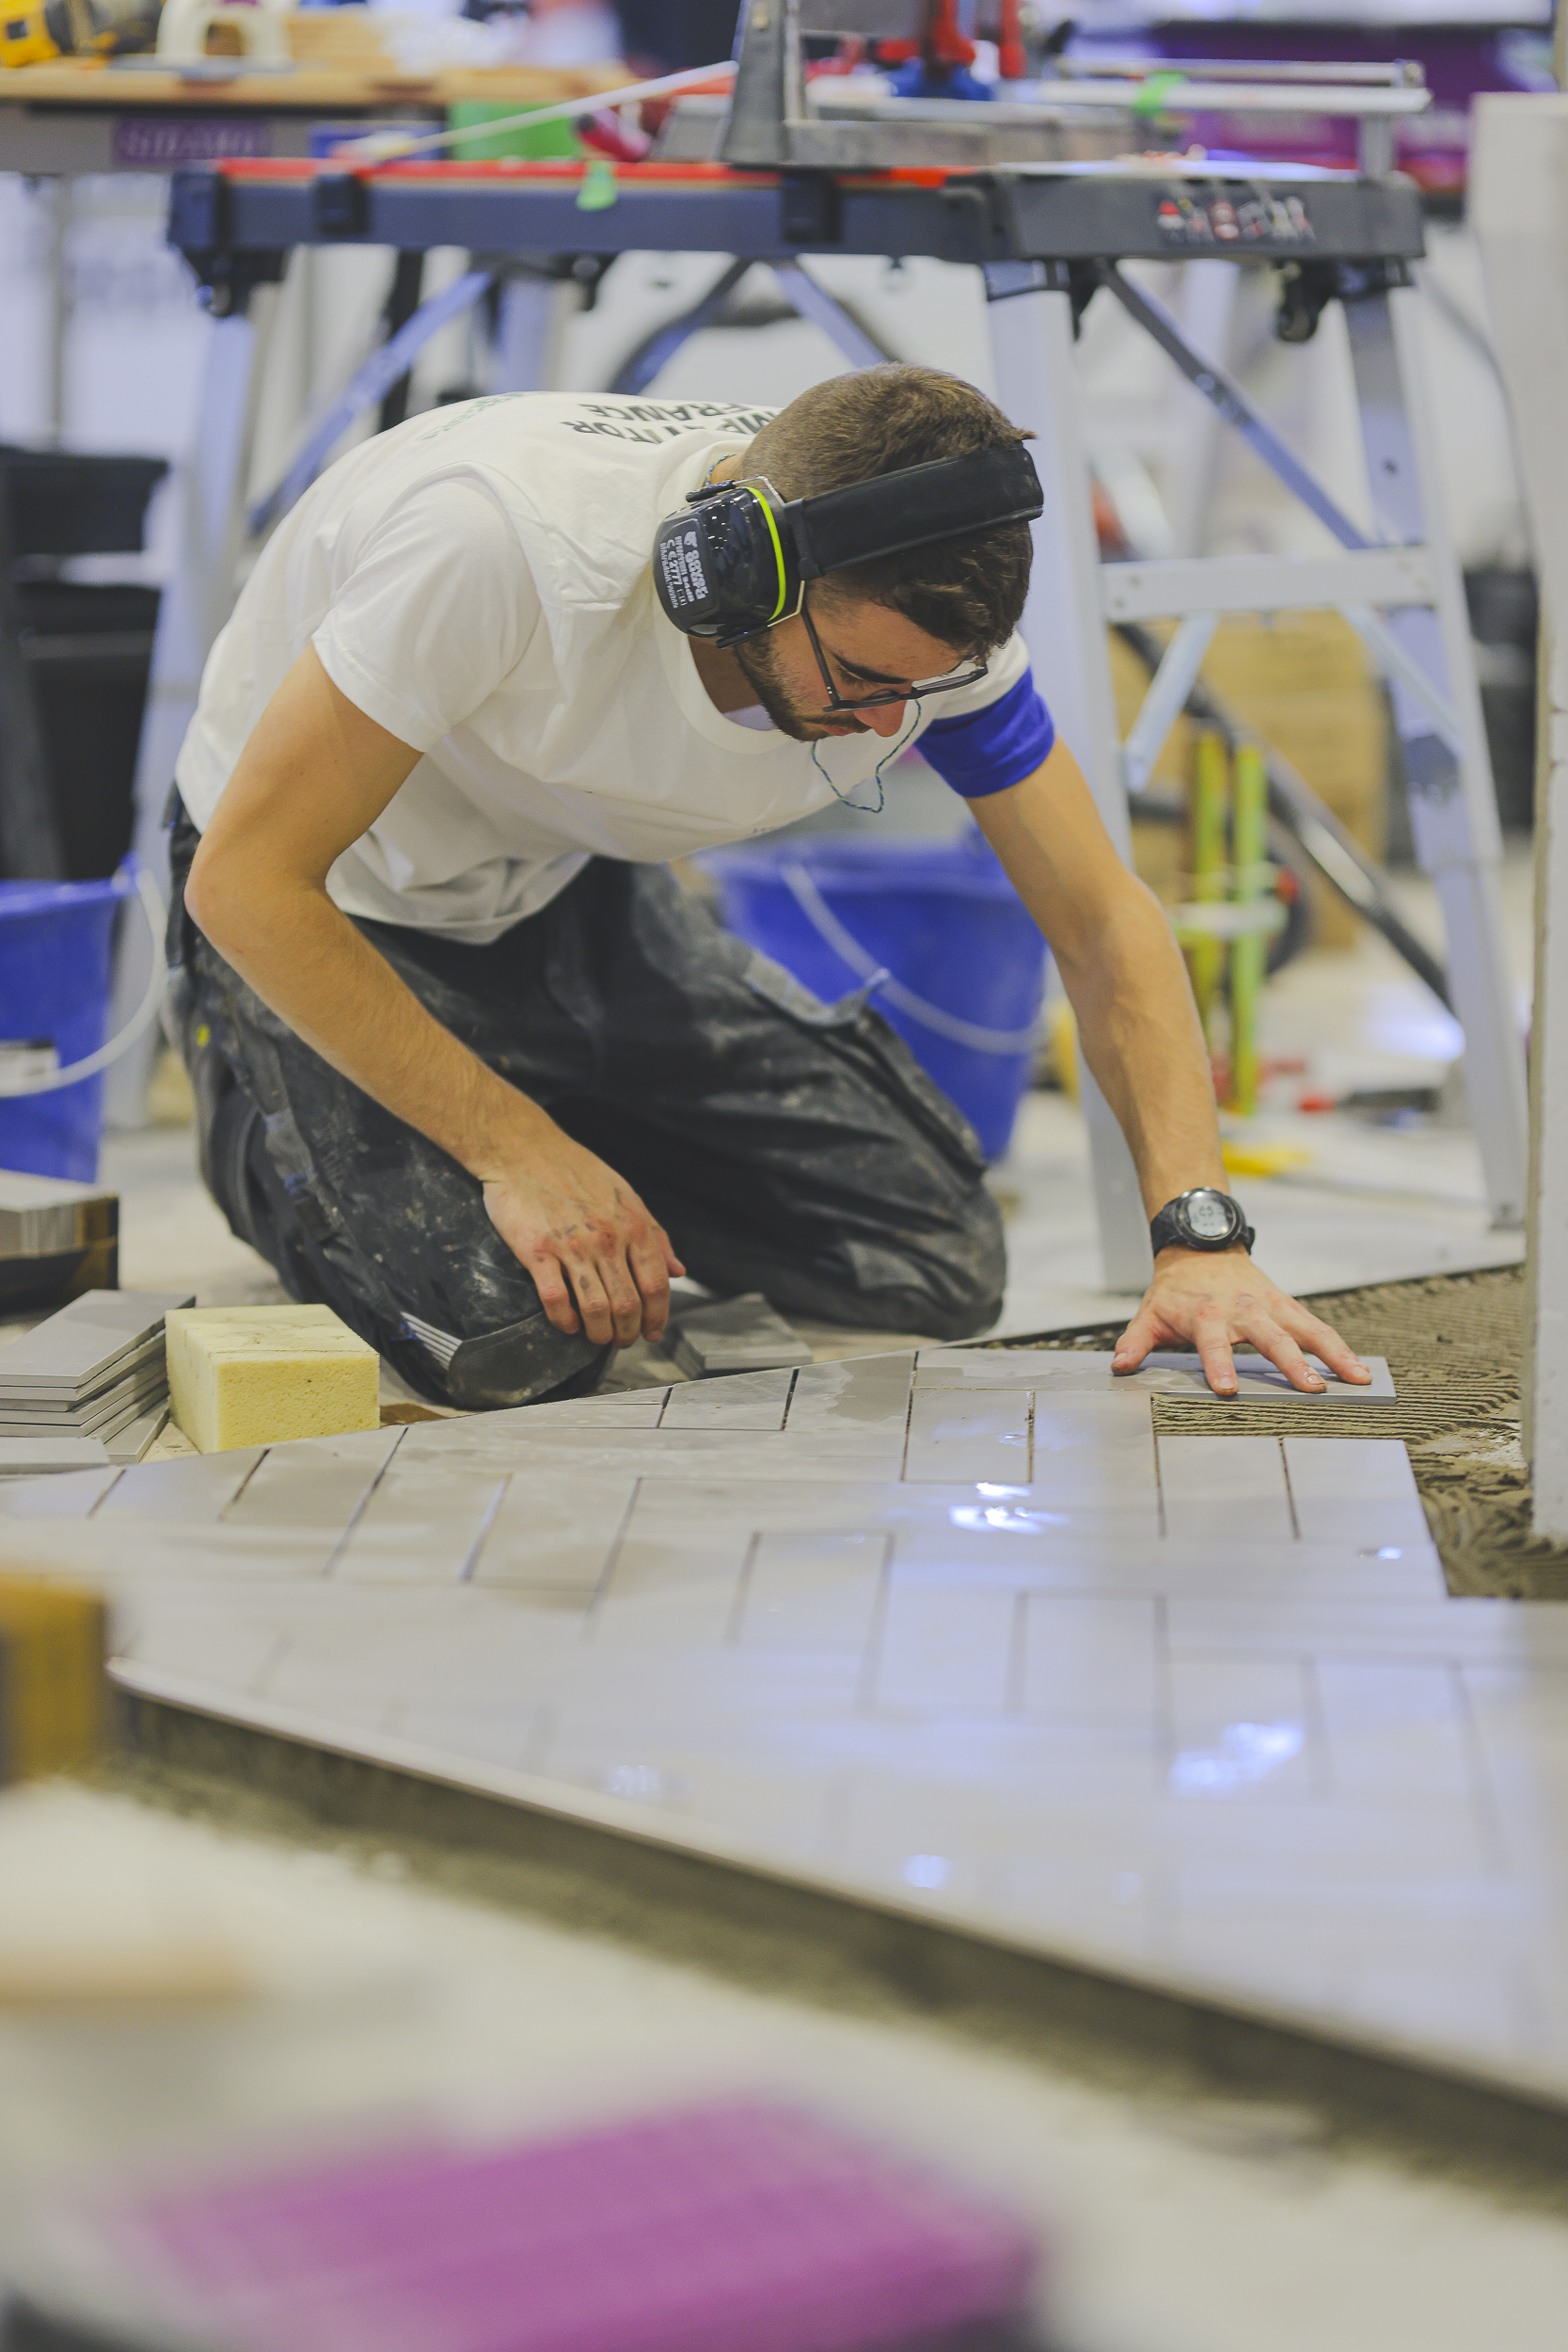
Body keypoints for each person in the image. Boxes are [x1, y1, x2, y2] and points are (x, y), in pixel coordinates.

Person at [166, 364, 1370, 1409]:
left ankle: (524, 1108)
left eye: (924, 686)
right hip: (330, 913)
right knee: (503, 1341)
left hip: (560, 883)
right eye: (858, 676)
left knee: (923, 1260)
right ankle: (292, 1134)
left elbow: (1103, 919)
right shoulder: (501, 547)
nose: (891, 721)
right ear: (726, 573)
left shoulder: (921, 625)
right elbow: (252, 884)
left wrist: (1197, 1235)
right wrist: (515, 1150)